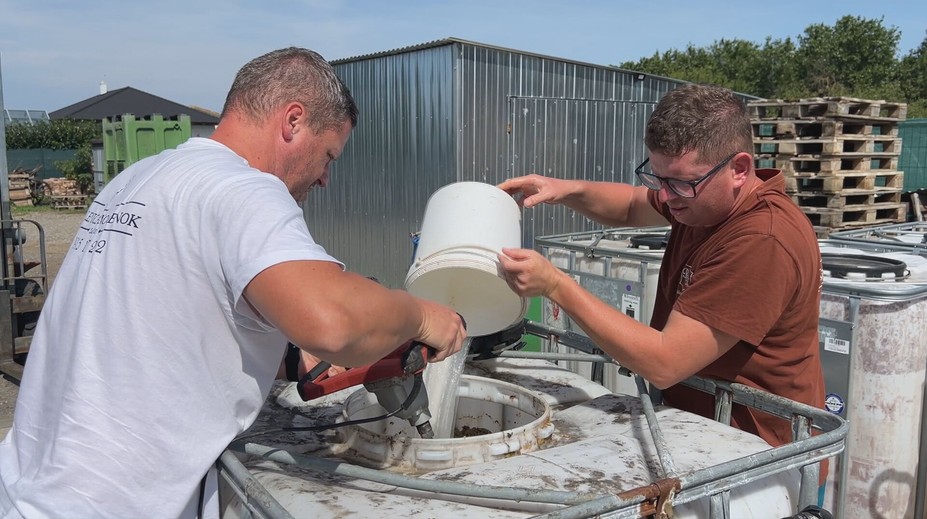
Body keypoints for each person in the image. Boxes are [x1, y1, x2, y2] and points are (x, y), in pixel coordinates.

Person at [0, 47, 467, 519]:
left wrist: (291, 358)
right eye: (329, 155)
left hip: (30, 489)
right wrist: (422, 315)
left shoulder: (139, 179)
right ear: (293, 121)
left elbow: (172, 320)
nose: (326, 178)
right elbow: (335, 324)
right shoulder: (242, 189)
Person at [496, 83, 825, 452]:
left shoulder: (762, 240)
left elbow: (666, 361)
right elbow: (632, 204)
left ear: (739, 168)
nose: (666, 196)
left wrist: (556, 286)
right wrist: (566, 188)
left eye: (680, 182)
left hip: (760, 456)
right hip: (705, 433)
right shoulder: (702, 200)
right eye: (658, 177)